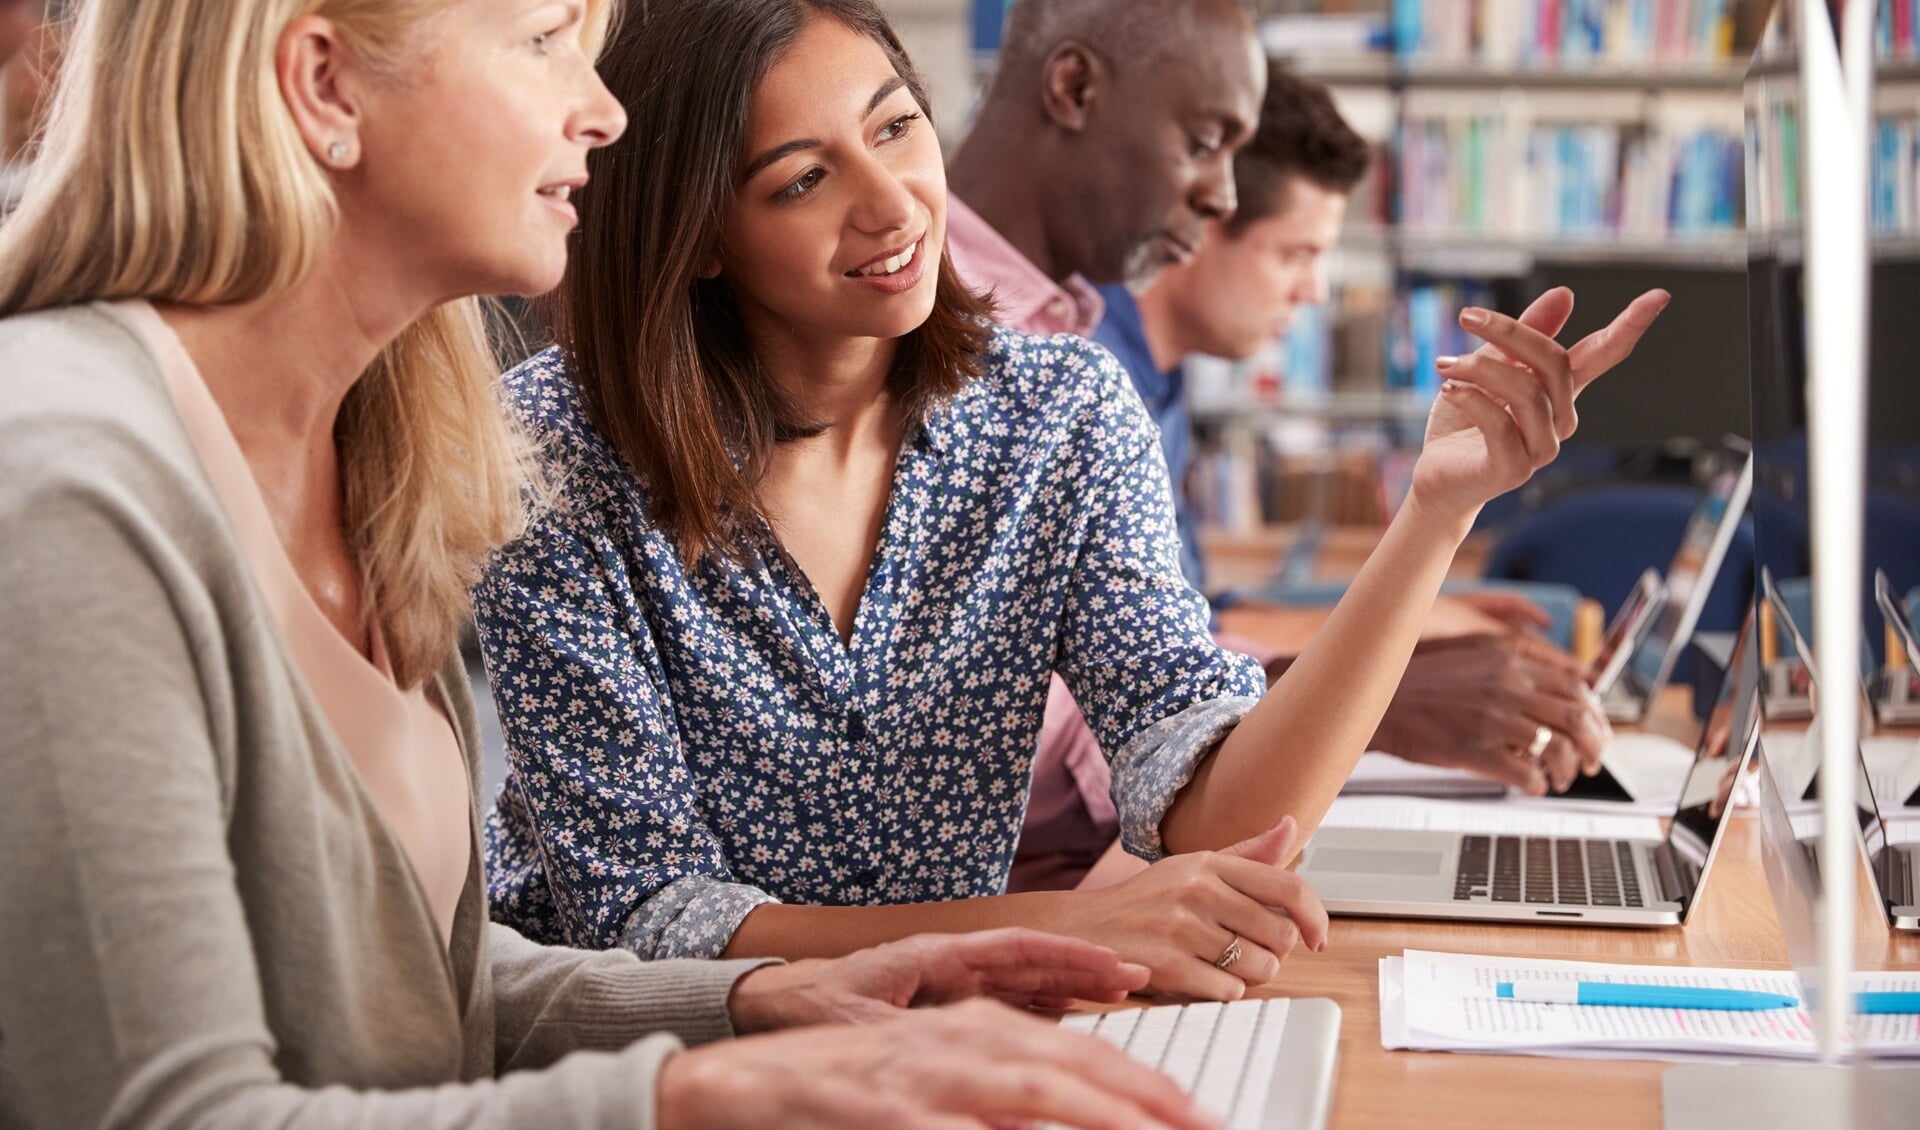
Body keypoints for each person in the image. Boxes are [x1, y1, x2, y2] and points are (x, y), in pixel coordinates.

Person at [0, 2, 1220, 1128]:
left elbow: (427, 990)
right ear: (326, 86)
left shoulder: (383, 450)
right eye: (542, 39)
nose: (605, 110)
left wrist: (760, 1005)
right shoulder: (72, 484)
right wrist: (692, 1092)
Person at [474, 0, 1665, 1002]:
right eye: (801, 180)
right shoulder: (553, 452)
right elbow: (645, 914)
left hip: (935, 1048)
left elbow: (1209, 805)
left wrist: (1436, 511)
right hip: (652, 1072)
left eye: (898, 128)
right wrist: (1058, 929)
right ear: (701, 235)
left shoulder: (1061, 416)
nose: (893, 206)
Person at [944, 6, 1617, 889]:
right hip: (1023, 903)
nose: (1223, 195)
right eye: (1205, 140)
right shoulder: (968, 347)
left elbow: (1154, 714)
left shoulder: (1073, 355)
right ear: (1072, 88)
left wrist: (1428, 534)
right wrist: (1364, 694)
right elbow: (1100, 757)